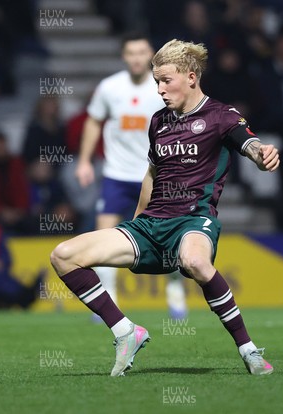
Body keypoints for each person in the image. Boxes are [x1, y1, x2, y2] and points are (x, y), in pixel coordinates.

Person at [50, 39, 280, 377]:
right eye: (156, 81)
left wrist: (263, 154)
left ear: (190, 77)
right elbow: (152, 175)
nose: (158, 88)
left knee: (195, 262)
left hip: (193, 220)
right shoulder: (158, 121)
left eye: (165, 80)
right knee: (63, 255)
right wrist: (136, 223)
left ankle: (249, 351)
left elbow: (249, 144)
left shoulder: (221, 115)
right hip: (151, 223)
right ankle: (125, 331)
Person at [75, 32, 187, 319]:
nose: (136, 58)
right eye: (131, 53)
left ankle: (175, 291)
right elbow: (93, 122)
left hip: (153, 174)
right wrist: (85, 161)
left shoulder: (163, 89)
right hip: (116, 175)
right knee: (103, 235)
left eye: (141, 52)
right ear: (124, 56)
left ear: (151, 55)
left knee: (165, 235)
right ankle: (107, 301)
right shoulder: (109, 87)